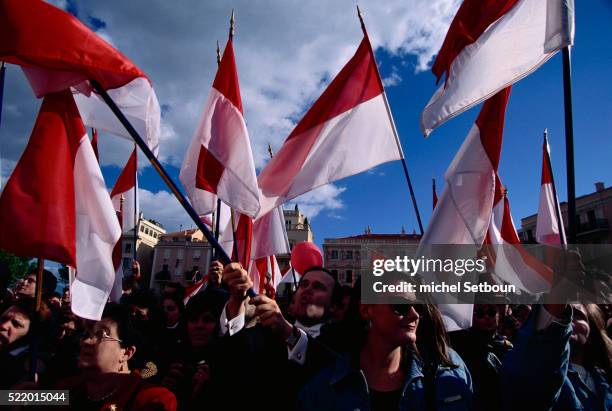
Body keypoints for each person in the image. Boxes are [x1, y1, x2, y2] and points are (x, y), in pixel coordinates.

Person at [297, 299, 473, 410]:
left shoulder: (447, 374)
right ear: (366, 310)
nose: (414, 314)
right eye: (401, 306)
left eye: (417, 305)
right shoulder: (321, 390)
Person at [57, 303, 176, 410]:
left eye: (101, 334)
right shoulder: (66, 389)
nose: (87, 341)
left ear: (126, 353)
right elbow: (39, 400)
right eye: (86, 334)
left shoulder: (154, 398)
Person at [450, 304, 513, 410]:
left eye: (491, 312)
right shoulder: (464, 344)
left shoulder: (507, 346)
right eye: (480, 314)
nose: (487, 317)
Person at [0, 298, 37, 388]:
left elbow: (62, 398)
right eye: (4, 319)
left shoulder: (21, 373)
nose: (3, 326)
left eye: (16, 324)